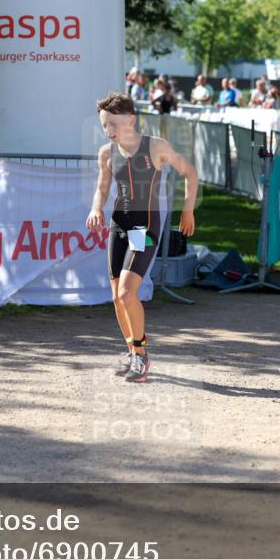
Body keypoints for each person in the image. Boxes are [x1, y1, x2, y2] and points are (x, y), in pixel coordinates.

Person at [87, 92, 198, 382]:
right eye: (104, 126)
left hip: (143, 229)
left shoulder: (155, 147)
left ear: (131, 119)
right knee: (115, 296)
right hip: (119, 226)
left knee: (127, 292)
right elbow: (102, 186)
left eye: (113, 124)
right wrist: (96, 208)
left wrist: (188, 210)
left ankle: (142, 354)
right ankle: (132, 353)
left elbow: (190, 172)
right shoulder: (106, 153)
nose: (109, 131)